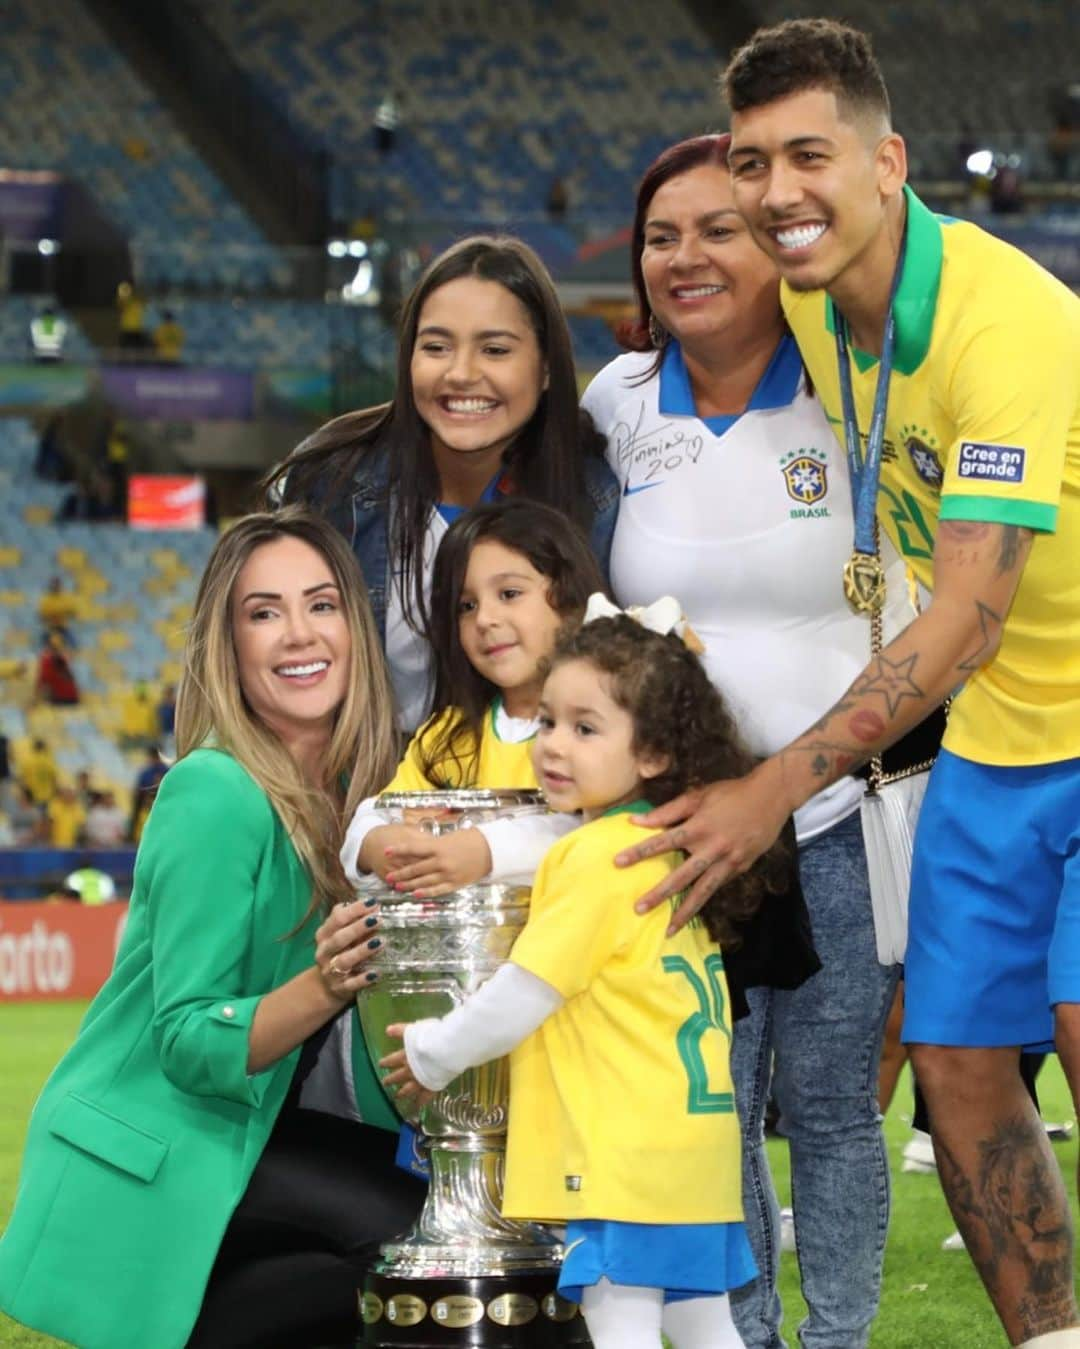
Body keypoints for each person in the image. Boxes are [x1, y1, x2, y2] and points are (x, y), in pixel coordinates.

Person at [618, 20, 1080, 1348]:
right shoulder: (818, 306)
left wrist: (774, 786)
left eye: (807, 156)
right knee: (951, 1065)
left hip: (1050, 706)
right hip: (995, 749)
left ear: (887, 162)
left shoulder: (1008, 323)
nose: (775, 195)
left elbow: (972, 615)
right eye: (755, 161)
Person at [581, 132, 921, 1348]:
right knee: (705, 1108)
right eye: (661, 236)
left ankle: (835, 1339)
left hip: (833, 816)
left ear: (779, 245)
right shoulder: (613, 406)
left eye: (719, 228)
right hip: (674, 834)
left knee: (831, 1110)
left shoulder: (856, 390)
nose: (687, 256)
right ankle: (743, 1337)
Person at [0, 508, 426, 1349]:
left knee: (422, 1237)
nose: (298, 633)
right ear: (228, 647)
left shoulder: (363, 793)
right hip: (161, 1158)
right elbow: (190, 1039)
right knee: (421, 1243)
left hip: (247, 1144)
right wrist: (325, 981)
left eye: (322, 604)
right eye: (263, 612)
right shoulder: (215, 791)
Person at [381, 609, 794, 1349]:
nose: (553, 746)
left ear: (656, 751)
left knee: (620, 1320)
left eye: (585, 727)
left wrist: (434, 1049)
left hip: (619, 1156)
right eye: (546, 722)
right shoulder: (668, 845)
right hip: (694, 1152)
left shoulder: (596, 855)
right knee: (703, 1325)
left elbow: (523, 992)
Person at [265, 234, 618, 733]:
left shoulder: (592, 498)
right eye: (436, 347)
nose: (461, 373)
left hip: (535, 785)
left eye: (495, 349)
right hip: (364, 786)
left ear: (544, 369)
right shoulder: (333, 479)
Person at [342, 498, 605, 895]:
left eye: (510, 593)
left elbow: (602, 832)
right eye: (467, 605)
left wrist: (484, 850)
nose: (485, 619)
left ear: (571, 603)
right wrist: (377, 843)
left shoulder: (607, 724)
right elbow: (375, 815)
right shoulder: (448, 734)